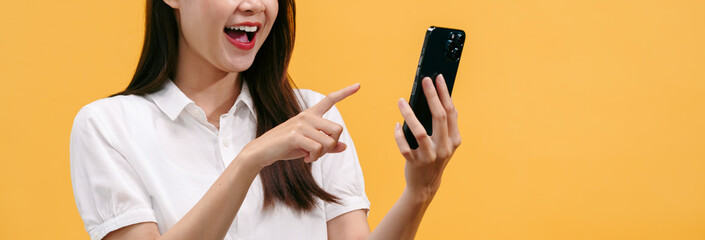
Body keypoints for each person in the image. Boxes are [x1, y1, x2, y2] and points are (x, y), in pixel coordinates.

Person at [69, 0, 462, 239]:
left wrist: (419, 192)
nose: (254, 5)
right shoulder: (108, 127)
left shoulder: (310, 116)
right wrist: (249, 160)